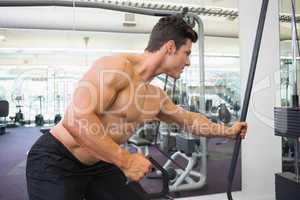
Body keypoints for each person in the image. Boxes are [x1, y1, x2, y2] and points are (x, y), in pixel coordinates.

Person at [26, 15, 247, 200]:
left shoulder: (155, 96)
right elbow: (77, 121)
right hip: (56, 159)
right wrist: (126, 160)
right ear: (170, 47)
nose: (188, 62)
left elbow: (187, 120)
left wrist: (226, 131)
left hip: (101, 161)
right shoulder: (115, 67)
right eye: (186, 53)